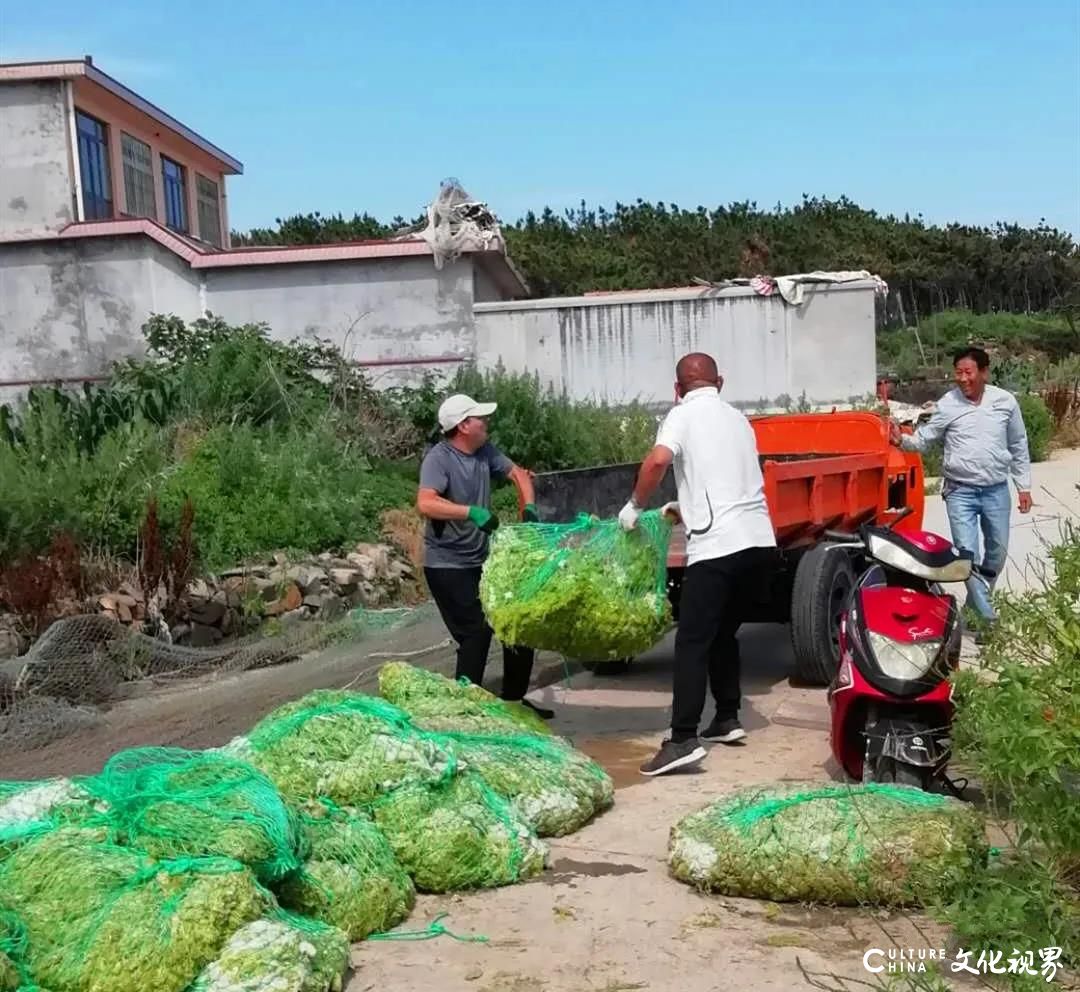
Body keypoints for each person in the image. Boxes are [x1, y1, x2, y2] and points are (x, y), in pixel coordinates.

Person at [618, 353, 778, 777]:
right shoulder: (739, 420)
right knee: (722, 631)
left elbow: (657, 461)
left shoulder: (682, 415)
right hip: (761, 545)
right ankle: (727, 716)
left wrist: (636, 505)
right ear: (719, 382)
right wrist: (684, 505)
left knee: (690, 642)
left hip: (718, 548)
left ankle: (682, 739)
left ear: (677, 388)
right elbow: (727, 478)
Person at [417, 393, 554, 719]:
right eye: (480, 418)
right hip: (447, 565)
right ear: (464, 426)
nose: (486, 422)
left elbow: (518, 474)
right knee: (475, 634)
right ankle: (466, 710)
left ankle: (514, 703)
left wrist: (529, 507)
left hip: (482, 560)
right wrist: (471, 512)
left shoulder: (484, 452)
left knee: (517, 623)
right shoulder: (439, 459)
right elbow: (425, 502)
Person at [889, 346, 1032, 633]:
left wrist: (1023, 486)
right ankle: (988, 621)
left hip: (995, 490)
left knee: (997, 553)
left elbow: (1018, 444)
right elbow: (925, 439)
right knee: (967, 556)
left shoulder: (1005, 402)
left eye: (969, 372)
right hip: (960, 492)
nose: (963, 379)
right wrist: (901, 440)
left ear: (984, 372)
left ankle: (976, 604)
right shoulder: (948, 404)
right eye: (958, 373)